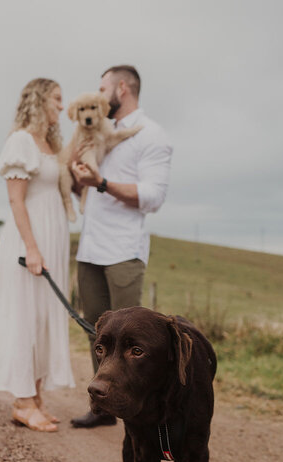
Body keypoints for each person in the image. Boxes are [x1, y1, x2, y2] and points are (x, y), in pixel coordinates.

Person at [69, 65, 173, 428]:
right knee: (96, 335)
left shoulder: (151, 135)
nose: (96, 97)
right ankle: (103, 408)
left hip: (123, 251)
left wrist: (101, 182)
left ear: (123, 89)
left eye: (102, 89)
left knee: (133, 341)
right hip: (90, 250)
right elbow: (79, 185)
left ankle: (138, 409)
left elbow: (152, 197)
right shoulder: (97, 132)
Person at [0, 78, 75, 432]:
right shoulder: (20, 141)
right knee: (24, 318)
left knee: (43, 319)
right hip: (28, 243)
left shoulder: (50, 143)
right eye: (57, 99)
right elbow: (16, 200)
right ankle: (21, 402)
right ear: (39, 100)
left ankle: (36, 398)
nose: (62, 107)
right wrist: (32, 249)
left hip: (52, 239)